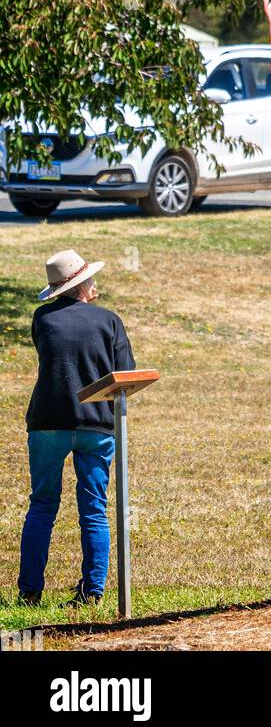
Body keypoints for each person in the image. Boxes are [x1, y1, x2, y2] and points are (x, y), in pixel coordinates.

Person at [17, 249, 135, 607]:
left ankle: (30, 591)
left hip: (48, 421)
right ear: (83, 283)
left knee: (42, 504)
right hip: (97, 424)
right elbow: (125, 374)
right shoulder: (108, 320)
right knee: (94, 509)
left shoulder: (43, 318)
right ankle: (92, 592)